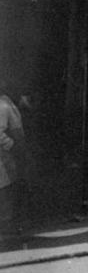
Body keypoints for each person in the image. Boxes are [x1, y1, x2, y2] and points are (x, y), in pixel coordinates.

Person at [0, 80, 28, 231]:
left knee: (11, 186)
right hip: (5, 156)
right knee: (6, 188)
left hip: (11, 155)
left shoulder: (9, 103)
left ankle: (8, 223)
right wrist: (12, 146)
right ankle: (5, 224)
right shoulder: (3, 105)